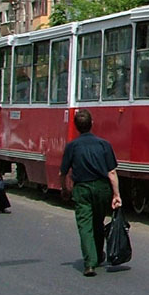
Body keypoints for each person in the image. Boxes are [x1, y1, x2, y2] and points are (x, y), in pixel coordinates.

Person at [60, 109, 122, 276]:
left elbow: (63, 172)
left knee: (85, 225)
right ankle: (99, 254)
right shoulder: (104, 144)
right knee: (98, 222)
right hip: (102, 188)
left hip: (82, 189)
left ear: (76, 126)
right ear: (92, 124)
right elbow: (112, 172)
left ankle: (90, 263)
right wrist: (116, 195)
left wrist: (64, 188)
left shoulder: (72, 146)